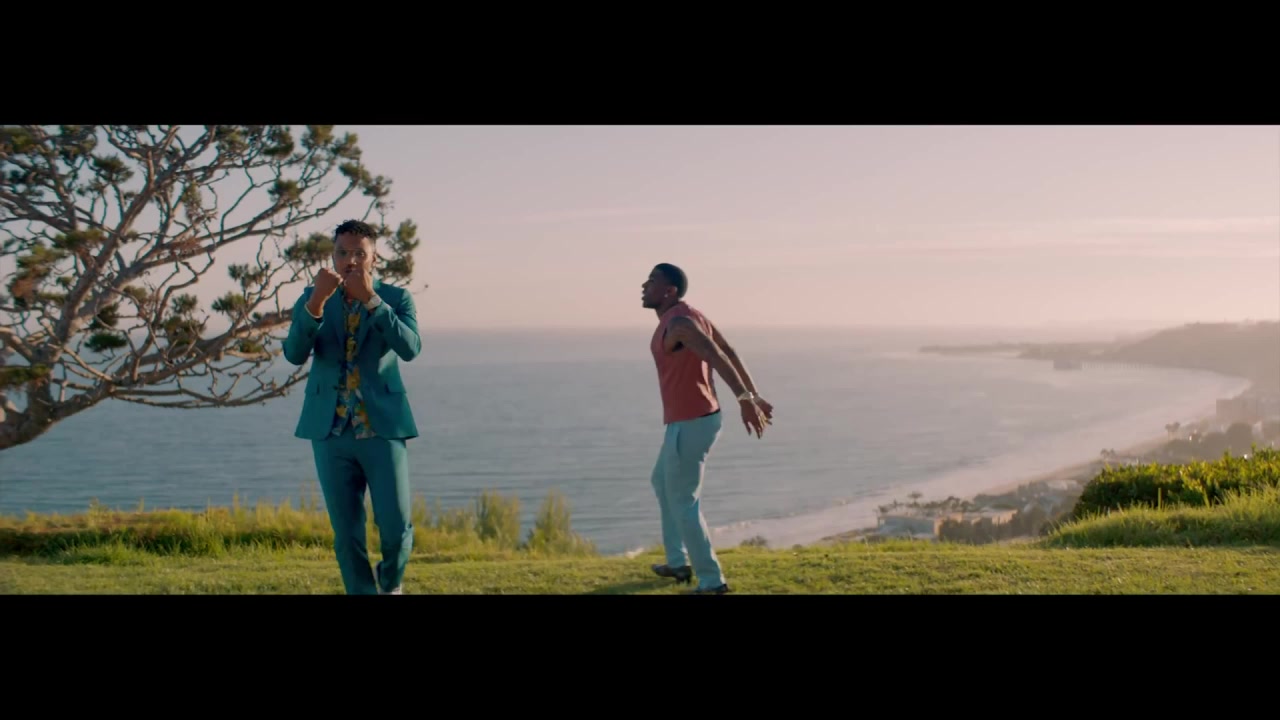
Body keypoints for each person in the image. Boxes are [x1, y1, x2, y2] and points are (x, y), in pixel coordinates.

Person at [283, 219, 423, 595]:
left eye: (359, 253)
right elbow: (293, 353)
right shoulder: (313, 297)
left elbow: (410, 348)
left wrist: (372, 301)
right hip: (329, 432)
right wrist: (315, 302)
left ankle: (390, 582)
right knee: (346, 535)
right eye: (342, 253)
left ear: (374, 258)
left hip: (382, 429)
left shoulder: (396, 298)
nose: (350, 260)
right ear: (332, 257)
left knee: (396, 528)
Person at [641, 263, 774, 595]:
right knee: (662, 482)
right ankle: (678, 561)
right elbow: (729, 351)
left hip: (691, 422)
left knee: (684, 502)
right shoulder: (691, 316)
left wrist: (745, 398)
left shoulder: (681, 324)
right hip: (690, 419)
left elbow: (716, 354)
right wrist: (753, 394)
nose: (644, 286)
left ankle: (712, 581)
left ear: (669, 291)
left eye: (652, 281)